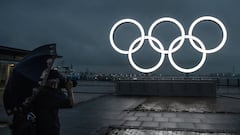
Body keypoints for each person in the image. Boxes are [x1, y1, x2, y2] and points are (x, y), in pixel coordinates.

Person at [33, 69, 75, 135]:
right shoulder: (50, 95)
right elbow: (70, 103)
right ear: (53, 81)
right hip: (49, 130)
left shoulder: (39, 91)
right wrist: (69, 89)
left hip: (37, 129)